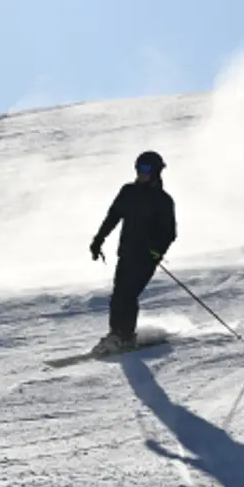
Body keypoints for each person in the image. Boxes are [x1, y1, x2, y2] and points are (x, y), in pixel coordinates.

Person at [87, 151, 177, 355]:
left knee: (127, 294)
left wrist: (156, 250)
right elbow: (113, 217)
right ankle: (116, 334)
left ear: (155, 172)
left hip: (146, 257)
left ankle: (125, 336)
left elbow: (169, 233)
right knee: (118, 294)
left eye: (145, 169)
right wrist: (98, 240)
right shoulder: (128, 192)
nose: (140, 172)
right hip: (126, 252)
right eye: (137, 167)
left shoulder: (163, 201)